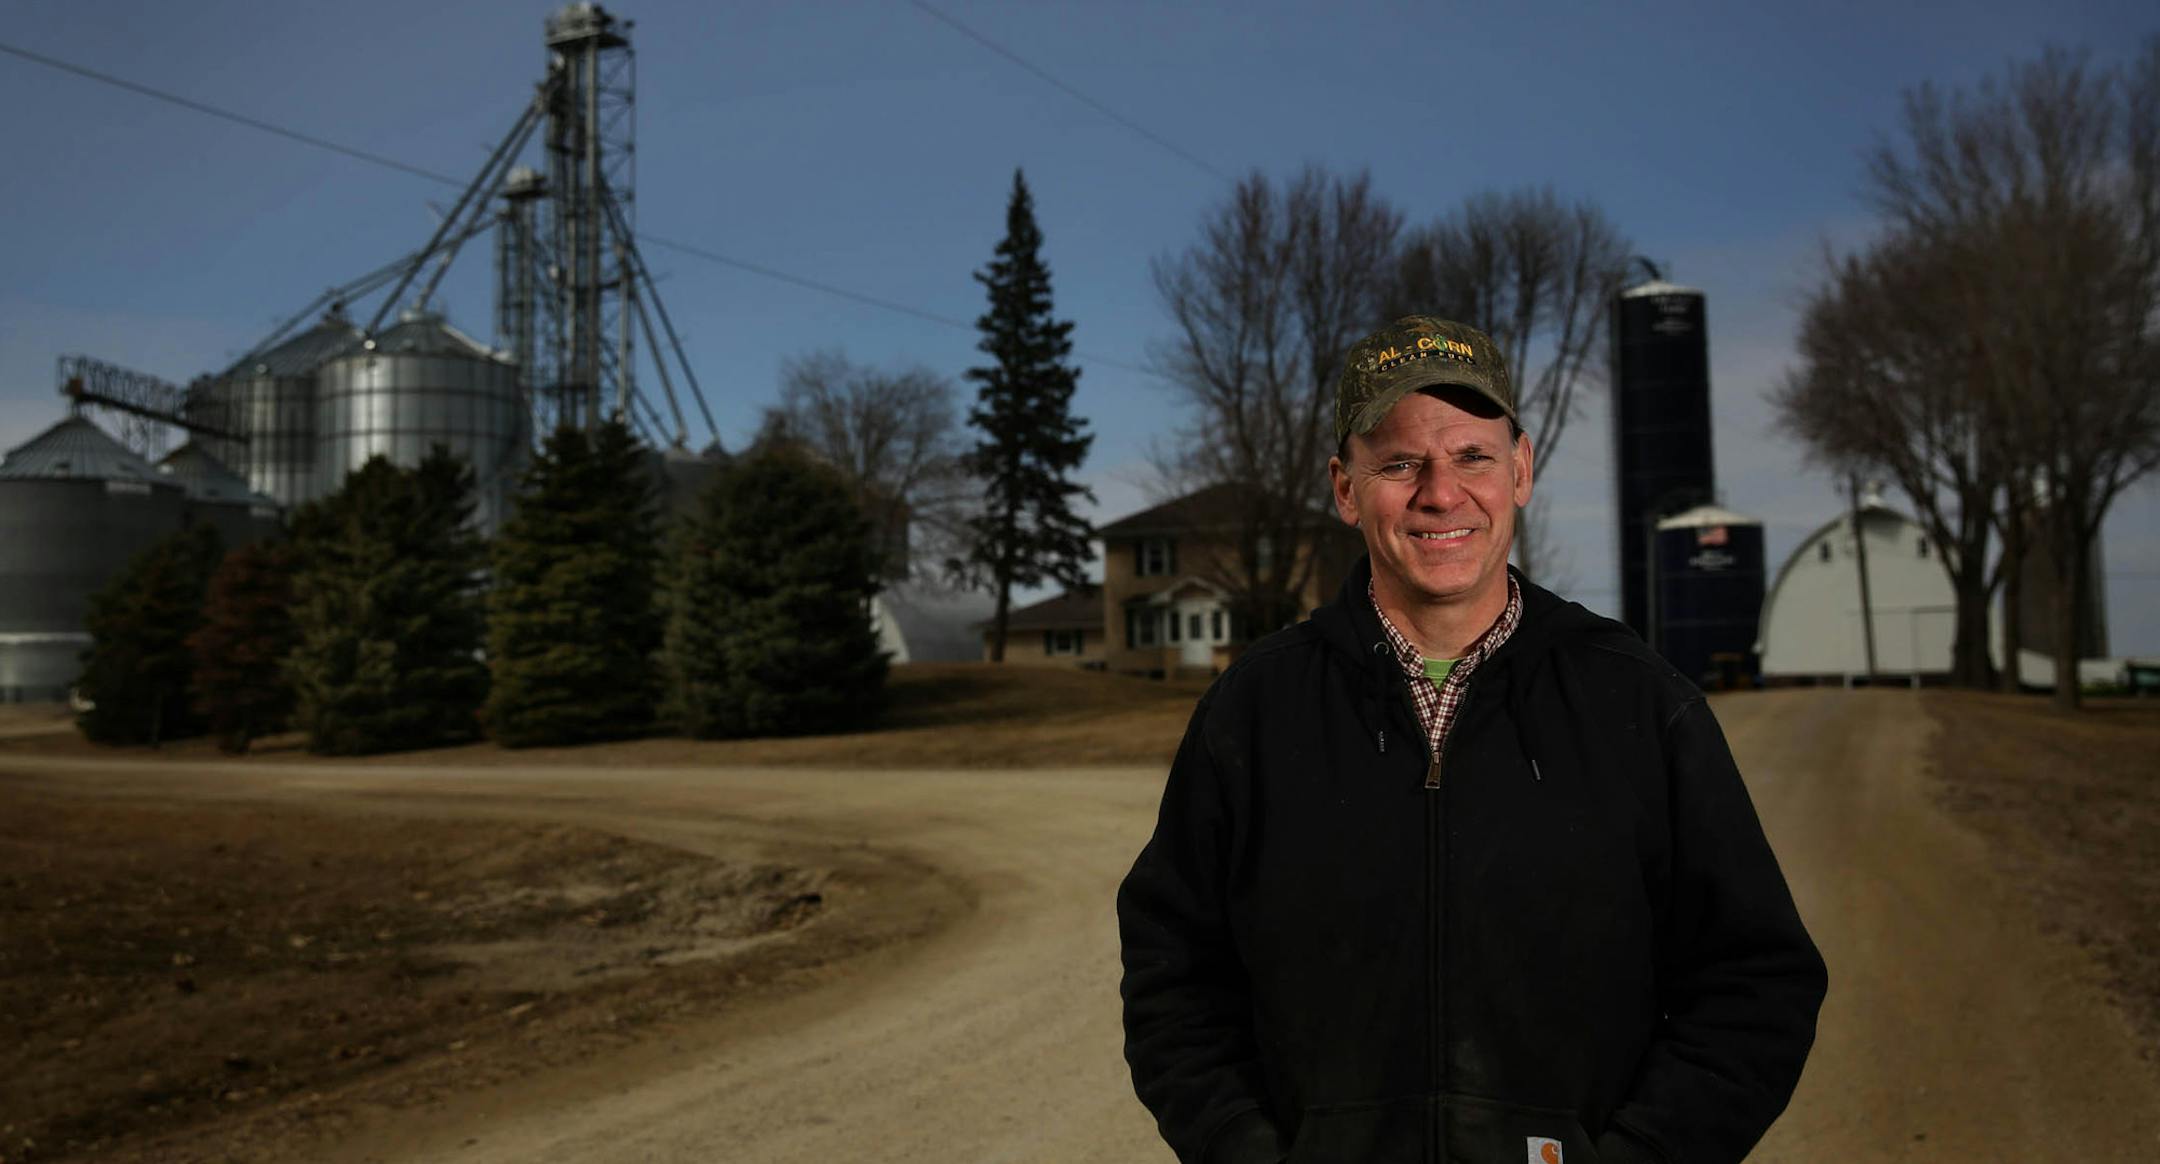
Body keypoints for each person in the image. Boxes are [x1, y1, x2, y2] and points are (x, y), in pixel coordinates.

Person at [1116, 316, 1825, 1164]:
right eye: (1399, 462)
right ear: (1346, 488)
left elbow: (1757, 986)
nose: (1440, 493)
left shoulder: (1637, 702)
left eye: (1473, 457)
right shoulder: (1254, 711)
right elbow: (1173, 981)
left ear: (1520, 469)